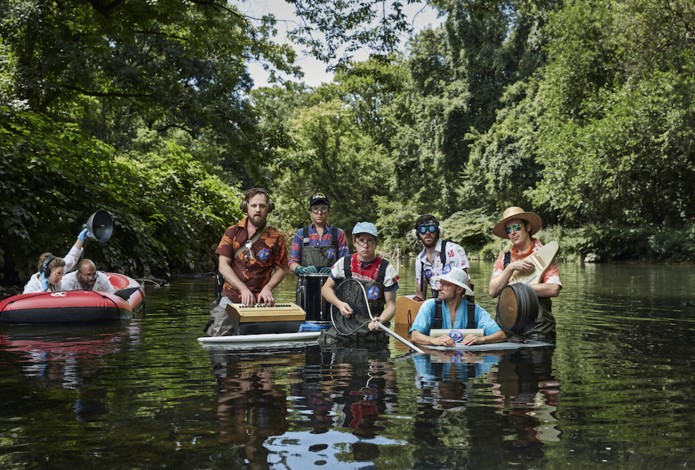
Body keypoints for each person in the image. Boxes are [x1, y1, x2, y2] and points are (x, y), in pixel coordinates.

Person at [488, 206, 561, 340]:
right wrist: (511, 268)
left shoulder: (546, 255)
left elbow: (554, 288)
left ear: (527, 227)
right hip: (508, 330)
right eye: (508, 230)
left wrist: (516, 289)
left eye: (516, 227)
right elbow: (493, 291)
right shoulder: (504, 258)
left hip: (539, 330)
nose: (513, 233)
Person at [321, 222, 399, 336]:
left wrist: (381, 320)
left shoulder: (386, 269)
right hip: (343, 329)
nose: (365, 245)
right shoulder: (344, 263)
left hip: (372, 330)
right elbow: (326, 289)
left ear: (376, 243)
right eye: (361, 240)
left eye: (370, 240)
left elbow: (391, 305)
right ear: (354, 243)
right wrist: (339, 304)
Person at [216, 188, 287, 307]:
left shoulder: (277, 237)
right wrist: (243, 289)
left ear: (268, 208)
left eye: (262, 206)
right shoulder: (232, 232)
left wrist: (268, 287)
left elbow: (281, 269)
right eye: (254, 205)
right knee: (219, 325)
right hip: (230, 298)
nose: (258, 210)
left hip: (261, 301)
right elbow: (223, 266)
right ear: (246, 207)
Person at [410, 267, 506, 347]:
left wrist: (482, 339)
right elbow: (415, 336)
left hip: (467, 361)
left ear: (459, 289)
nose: (439, 288)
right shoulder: (429, 306)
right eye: (440, 283)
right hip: (436, 362)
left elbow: (501, 335)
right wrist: (433, 340)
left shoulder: (475, 311)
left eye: (446, 284)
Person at [288, 192, 349, 276]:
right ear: (310, 212)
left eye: (323, 208)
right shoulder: (300, 234)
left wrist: (334, 270)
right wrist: (300, 269)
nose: (319, 212)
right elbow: (292, 262)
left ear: (328, 211)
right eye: (315, 208)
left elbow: (345, 262)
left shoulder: (339, 234)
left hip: (332, 285)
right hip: (306, 285)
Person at [413, 214, 470, 301]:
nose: (427, 233)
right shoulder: (420, 259)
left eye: (431, 228)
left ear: (438, 231)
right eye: (423, 229)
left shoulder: (454, 250)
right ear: (417, 234)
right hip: (437, 301)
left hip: (457, 301)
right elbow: (420, 295)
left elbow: (465, 285)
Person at [23, 228, 91, 293]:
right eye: (58, 274)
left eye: (61, 274)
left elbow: (72, 256)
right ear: (47, 272)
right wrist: (42, 291)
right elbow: (23, 302)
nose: (60, 278)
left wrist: (80, 239)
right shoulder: (33, 285)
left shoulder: (57, 271)